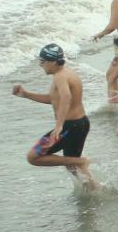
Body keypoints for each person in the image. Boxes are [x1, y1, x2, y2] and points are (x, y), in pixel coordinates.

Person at [12, 43, 97, 189]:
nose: (41, 65)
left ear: (52, 61)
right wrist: (26, 94)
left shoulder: (60, 77)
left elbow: (66, 98)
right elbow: (53, 99)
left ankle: (83, 162)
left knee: (33, 157)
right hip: (79, 124)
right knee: (72, 165)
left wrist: (59, 125)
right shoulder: (67, 73)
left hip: (70, 126)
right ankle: (94, 190)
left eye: (42, 62)